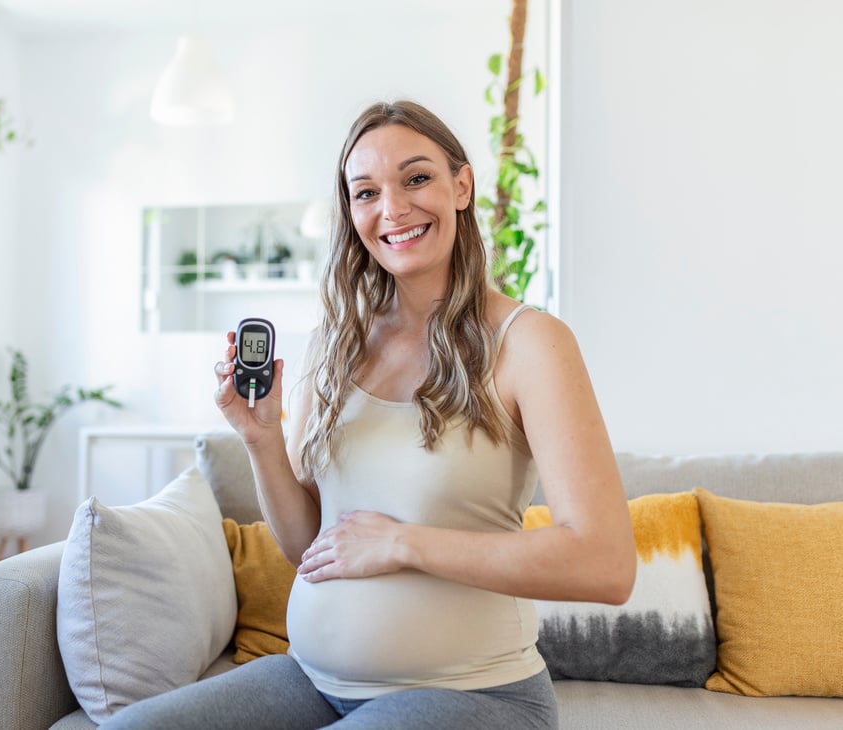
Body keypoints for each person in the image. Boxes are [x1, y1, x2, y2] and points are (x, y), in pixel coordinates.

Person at [100, 100, 636, 730]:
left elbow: (605, 565)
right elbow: (311, 550)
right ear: (350, 212)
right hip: (312, 681)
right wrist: (263, 439)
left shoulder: (530, 342)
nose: (393, 209)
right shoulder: (336, 342)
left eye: (416, 178)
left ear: (461, 186)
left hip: (477, 696)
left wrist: (405, 543)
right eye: (366, 192)